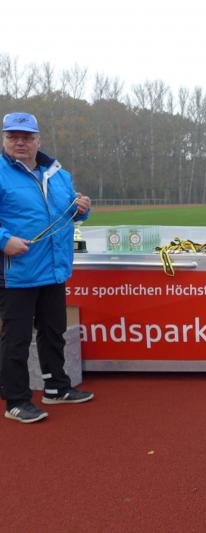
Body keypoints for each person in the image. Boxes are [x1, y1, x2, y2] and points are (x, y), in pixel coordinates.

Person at [0, 112, 94, 424]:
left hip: (53, 269)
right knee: (16, 339)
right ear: (4, 140)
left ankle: (56, 387)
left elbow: (68, 212)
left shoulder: (59, 174)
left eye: (26, 137)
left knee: (53, 331)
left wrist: (82, 209)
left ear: (38, 140)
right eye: (13, 137)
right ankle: (16, 400)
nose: (20, 142)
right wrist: (3, 241)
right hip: (16, 271)